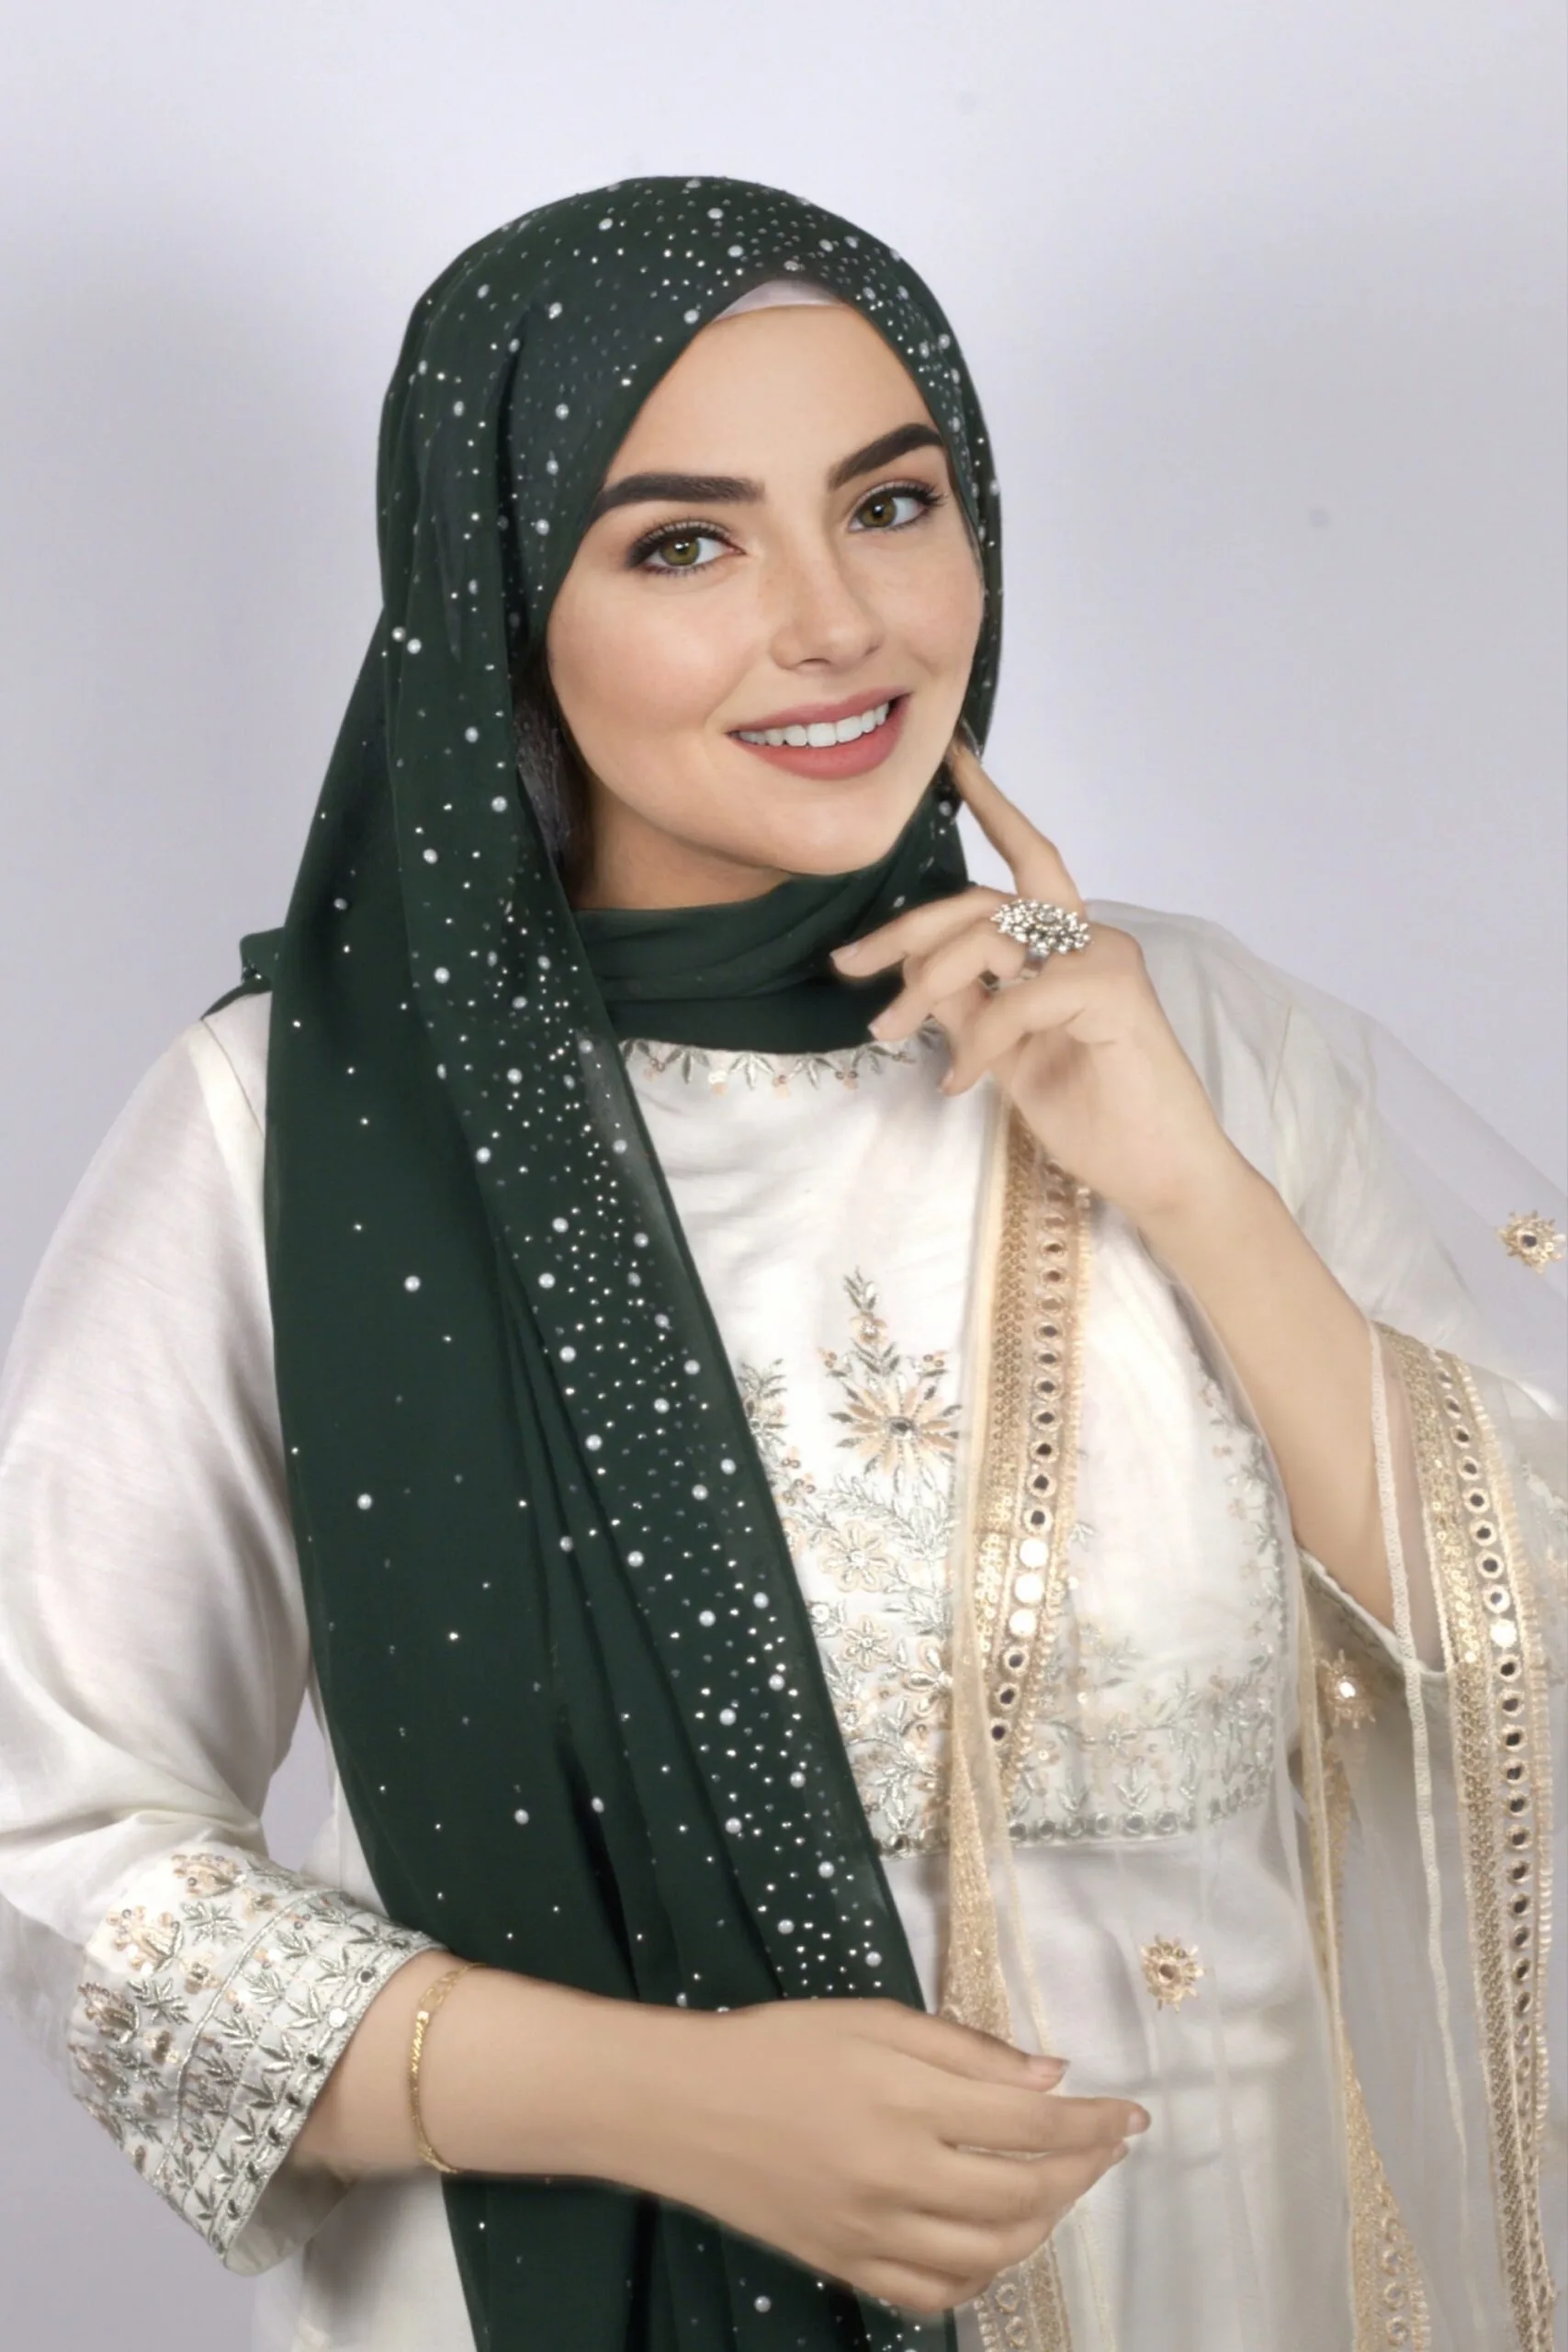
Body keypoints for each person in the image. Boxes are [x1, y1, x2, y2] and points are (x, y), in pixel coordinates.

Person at [0, 175, 1562, 2352]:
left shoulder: (1183, 1028)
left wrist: (1196, 1186)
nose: (836, 623)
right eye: (683, 545)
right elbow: (71, 1861)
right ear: (498, 598)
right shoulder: (298, 1126)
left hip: (1244, 2268)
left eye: (891, 503)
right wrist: (668, 2100)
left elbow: (1521, 1649)